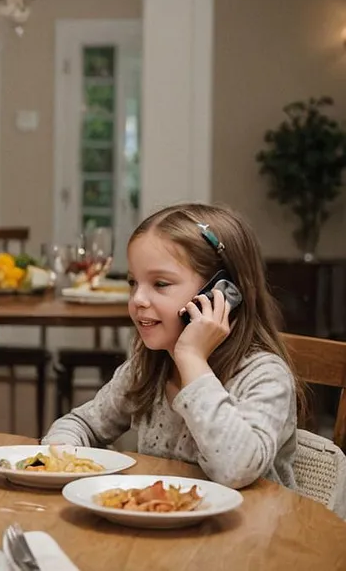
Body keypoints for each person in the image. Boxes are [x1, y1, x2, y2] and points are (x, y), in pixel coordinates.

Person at [43, 203, 304, 489]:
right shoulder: (147, 367)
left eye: (161, 284)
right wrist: (63, 455)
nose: (138, 299)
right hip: (164, 526)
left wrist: (192, 358)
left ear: (221, 293)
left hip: (249, 529)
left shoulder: (265, 376)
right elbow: (83, 424)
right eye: (133, 282)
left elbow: (235, 470)